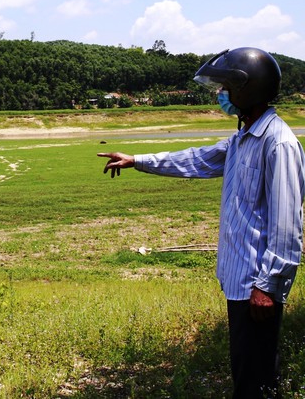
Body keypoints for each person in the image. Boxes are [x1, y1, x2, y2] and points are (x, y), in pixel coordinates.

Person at [98, 47, 305, 398]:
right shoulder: (243, 138)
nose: (221, 94)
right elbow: (197, 160)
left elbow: (287, 226)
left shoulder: (278, 143)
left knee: (257, 382)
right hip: (239, 281)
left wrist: (268, 287)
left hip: (257, 286)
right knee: (246, 374)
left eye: (226, 87)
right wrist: (138, 160)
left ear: (246, 89)